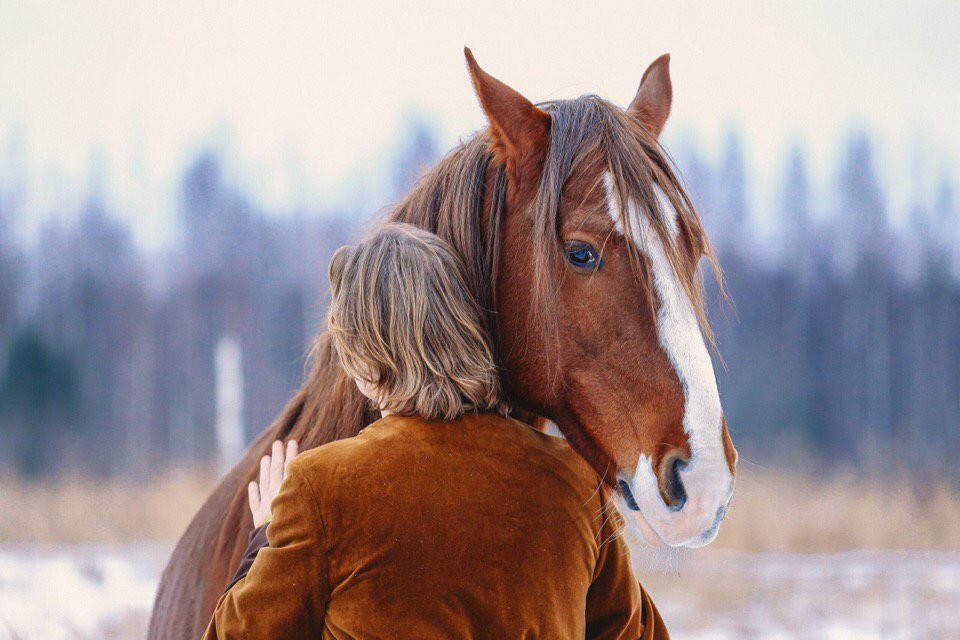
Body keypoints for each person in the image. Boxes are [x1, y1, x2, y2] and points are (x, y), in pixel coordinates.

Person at [202, 222, 669, 639]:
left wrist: (266, 535)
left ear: (363, 360)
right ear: (466, 328)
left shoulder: (322, 488)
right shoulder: (573, 481)